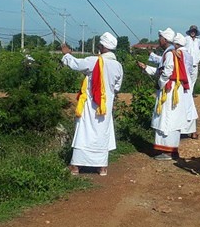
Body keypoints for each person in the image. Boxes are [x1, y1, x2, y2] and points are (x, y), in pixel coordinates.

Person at [61, 32, 123, 176]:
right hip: (105, 107)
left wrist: (67, 54)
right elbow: (117, 87)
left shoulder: (94, 61)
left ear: (102, 46)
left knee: (84, 132)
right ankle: (101, 167)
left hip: (91, 105)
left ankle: (75, 166)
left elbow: (75, 64)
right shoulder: (118, 66)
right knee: (102, 133)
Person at [137, 28, 190, 160]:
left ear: (164, 39)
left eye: (160, 37)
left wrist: (159, 83)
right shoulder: (170, 52)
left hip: (169, 90)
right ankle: (169, 150)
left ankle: (167, 151)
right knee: (169, 118)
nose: (158, 40)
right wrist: (146, 68)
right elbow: (162, 71)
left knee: (167, 119)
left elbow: (167, 71)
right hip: (171, 88)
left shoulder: (170, 53)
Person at [174, 33, 199, 139]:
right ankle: (192, 130)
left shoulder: (178, 53)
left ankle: (180, 129)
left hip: (181, 80)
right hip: (187, 79)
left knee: (181, 104)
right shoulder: (188, 54)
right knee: (189, 104)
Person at [184, 25, 200, 91]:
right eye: (192, 31)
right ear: (189, 32)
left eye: (194, 31)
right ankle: (185, 93)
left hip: (195, 63)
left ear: (196, 32)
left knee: (193, 80)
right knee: (186, 78)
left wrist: (198, 58)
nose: (193, 32)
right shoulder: (186, 39)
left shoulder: (198, 41)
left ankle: (190, 94)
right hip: (187, 63)